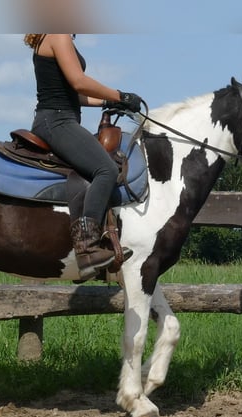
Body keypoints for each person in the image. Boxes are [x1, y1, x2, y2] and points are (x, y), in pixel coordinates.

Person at [24, 34, 142, 280]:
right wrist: (121, 94)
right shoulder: (58, 34)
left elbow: (72, 94)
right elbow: (78, 82)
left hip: (58, 117)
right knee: (106, 170)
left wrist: (109, 101)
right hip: (57, 121)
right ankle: (87, 248)